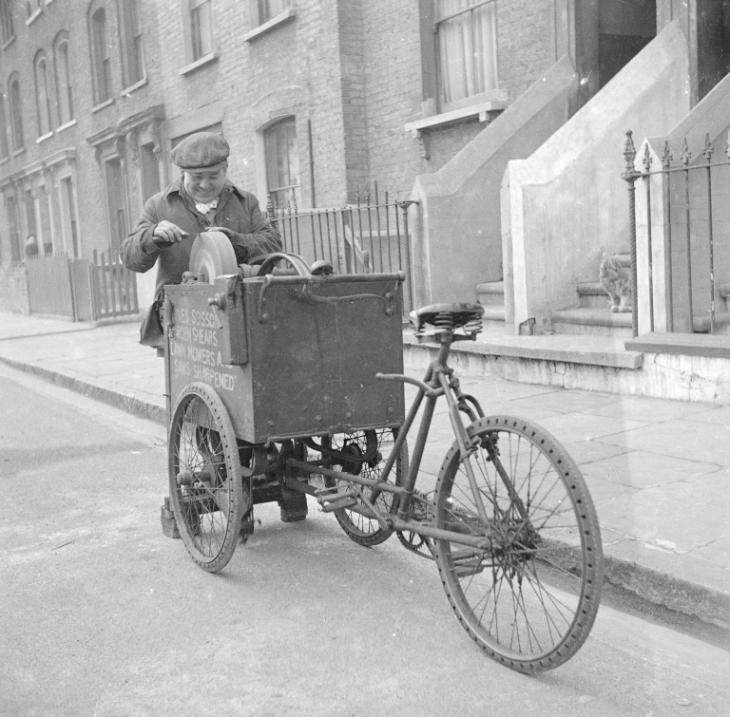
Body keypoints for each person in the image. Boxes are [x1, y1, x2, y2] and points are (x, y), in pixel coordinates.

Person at [120, 131, 281, 347]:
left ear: (225, 171)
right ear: (183, 174)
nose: (205, 185)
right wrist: (152, 237)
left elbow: (273, 245)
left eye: (213, 176)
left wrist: (234, 241)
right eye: (197, 177)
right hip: (183, 321)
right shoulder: (159, 205)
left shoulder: (245, 202)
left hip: (238, 316)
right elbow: (130, 258)